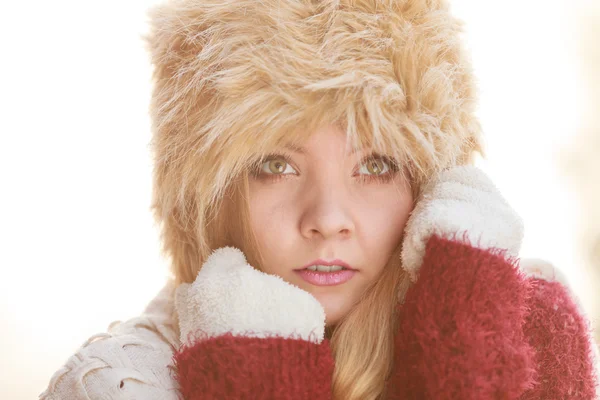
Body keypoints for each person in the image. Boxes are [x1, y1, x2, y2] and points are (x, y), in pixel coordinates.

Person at [39, 0, 600, 399]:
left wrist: (468, 367)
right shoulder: (117, 383)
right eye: (275, 166)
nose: (328, 219)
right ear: (211, 196)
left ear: (432, 187)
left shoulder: (525, 333)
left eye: (376, 165)